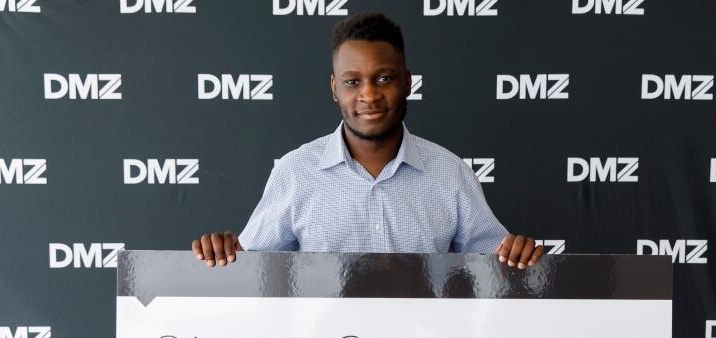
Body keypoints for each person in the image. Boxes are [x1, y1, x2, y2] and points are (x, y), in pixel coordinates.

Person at [192, 12, 544, 269]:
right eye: (352, 82)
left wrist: (519, 256)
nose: (369, 95)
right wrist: (222, 252)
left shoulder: (450, 175)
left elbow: (499, 269)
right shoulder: (296, 172)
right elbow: (249, 270)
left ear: (407, 82)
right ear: (335, 89)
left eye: (384, 78)